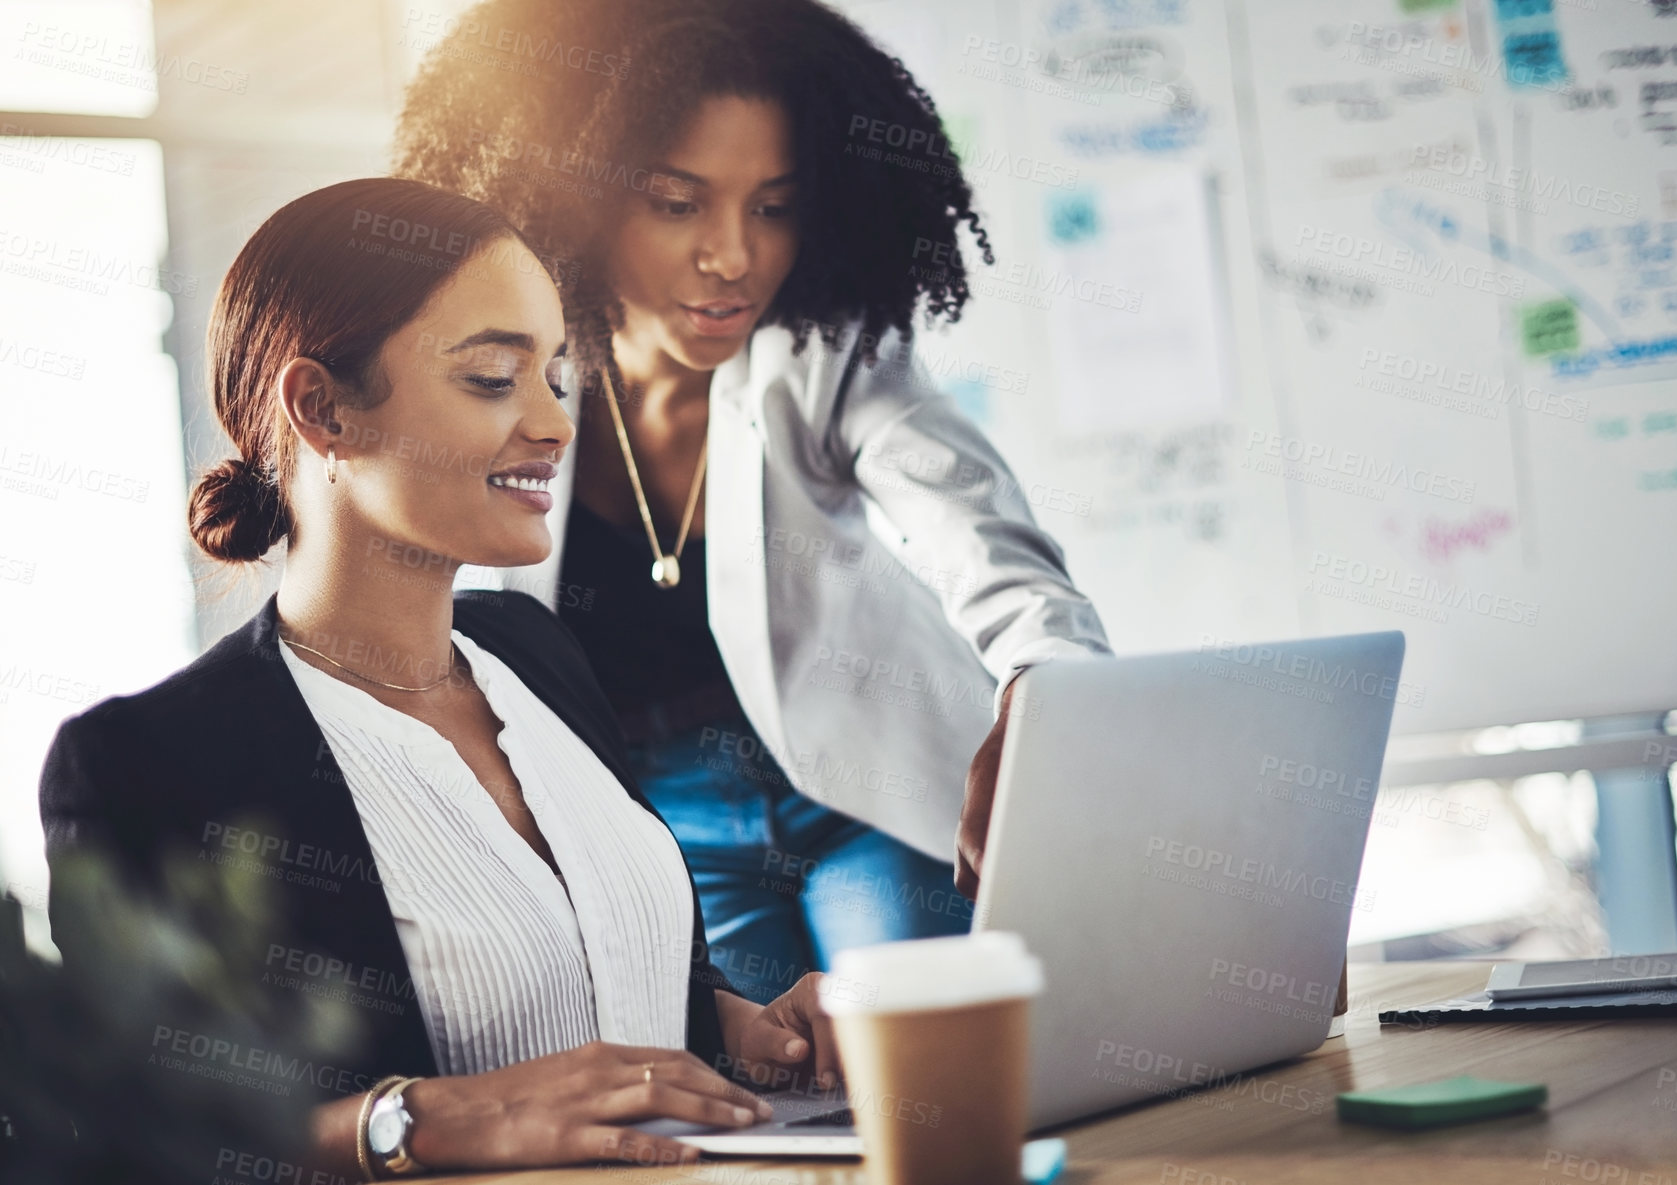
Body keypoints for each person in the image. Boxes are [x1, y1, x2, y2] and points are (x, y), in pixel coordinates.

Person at [38, 177, 841, 1177]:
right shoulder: (147, 761)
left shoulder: (532, 650)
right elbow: (138, 1144)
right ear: (322, 408)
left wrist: (751, 1034)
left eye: (554, 374)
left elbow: (616, 986)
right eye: (493, 378)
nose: (554, 424)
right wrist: (403, 1122)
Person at [392, 0, 1111, 1003]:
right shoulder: (502, 387)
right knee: (747, 1105)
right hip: (661, 824)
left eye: (771, 206)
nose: (731, 256)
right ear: (582, 197)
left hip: (871, 796)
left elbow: (977, 526)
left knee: (923, 1069)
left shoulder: (827, 356)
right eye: (677, 204)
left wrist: (1046, 677)